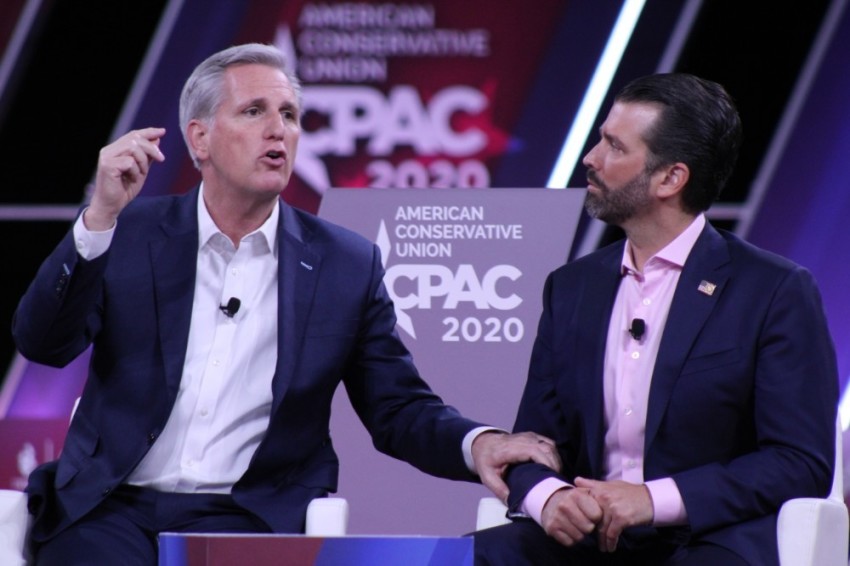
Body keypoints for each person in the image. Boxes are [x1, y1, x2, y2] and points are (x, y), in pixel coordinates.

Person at [11, 43, 559, 565]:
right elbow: (44, 343)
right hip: (111, 509)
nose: (278, 130)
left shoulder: (345, 264)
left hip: (245, 515)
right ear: (199, 139)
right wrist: (98, 220)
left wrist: (478, 444)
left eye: (291, 115)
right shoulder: (127, 233)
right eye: (254, 111)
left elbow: (397, 409)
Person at [473, 73, 839, 565]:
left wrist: (653, 499)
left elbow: (799, 463)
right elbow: (533, 443)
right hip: (592, 539)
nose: (591, 158)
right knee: (485, 555)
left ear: (671, 178)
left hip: (708, 537)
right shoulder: (572, 288)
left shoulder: (773, 290)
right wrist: (550, 498)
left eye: (614, 146)